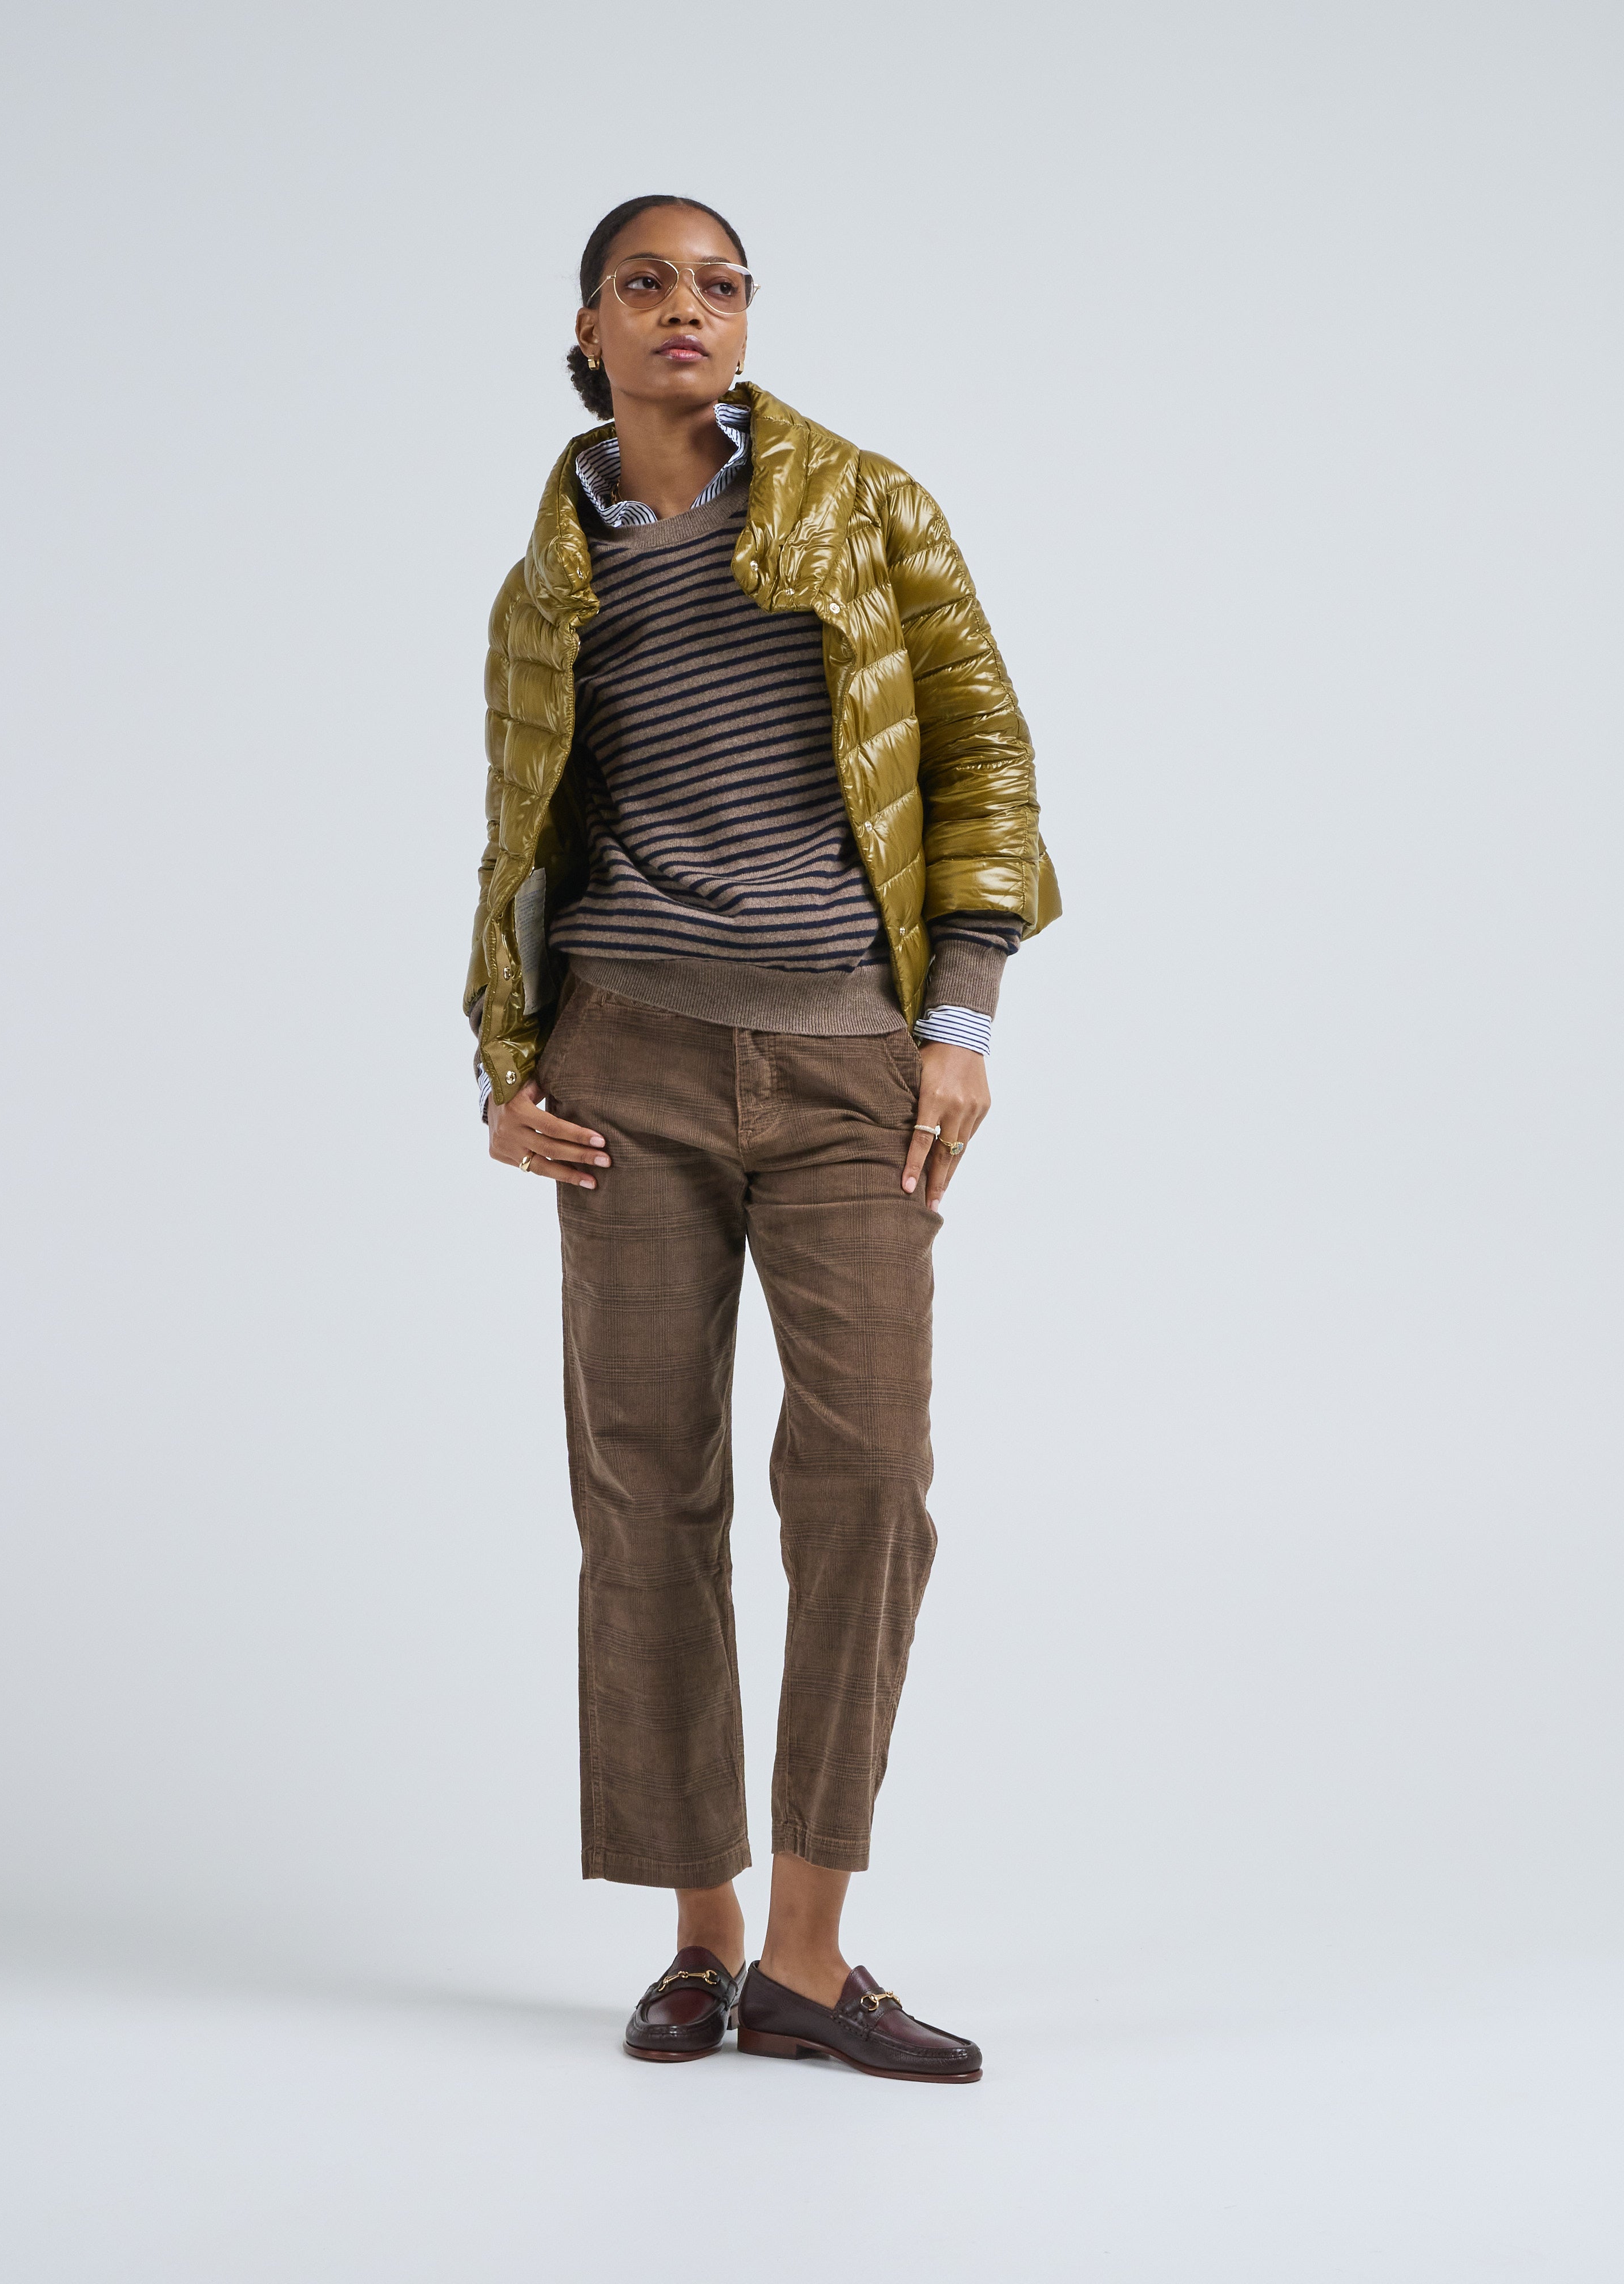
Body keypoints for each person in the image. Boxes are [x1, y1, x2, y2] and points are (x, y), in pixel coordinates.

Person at [464, 193, 1059, 2084]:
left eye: (721, 285)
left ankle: (811, 1951)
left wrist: (962, 1014)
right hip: (622, 1068)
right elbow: (519, 839)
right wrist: (503, 1065)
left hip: (844, 1070)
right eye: (646, 284)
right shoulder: (552, 576)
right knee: (645, 1492)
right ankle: (702, 1936)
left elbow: (979, 748)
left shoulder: (864, 503)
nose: (689, 310)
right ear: (587, 328)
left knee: (868, 1481)